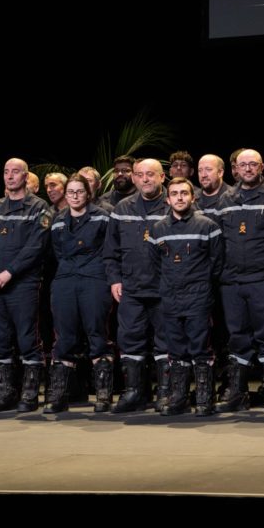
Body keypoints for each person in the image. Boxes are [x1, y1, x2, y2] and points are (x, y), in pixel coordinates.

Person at [213, 149, 264, 413]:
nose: (247, 169)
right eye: (242, 165)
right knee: (237, 336)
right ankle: (238, 393)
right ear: (235, 168)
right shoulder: (225, 200)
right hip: (233, 280)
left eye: (252, 165)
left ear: (261, 167)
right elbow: (219, 240)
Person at [0, 157, 52, 413]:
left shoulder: (40, 207)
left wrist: (9, 272)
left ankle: (29, 394)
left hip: (22, 284)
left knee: (27, 337)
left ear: (26, 177)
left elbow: (36, 246)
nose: (10, 176)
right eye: (6, 171)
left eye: (15, 172)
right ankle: (6, 392)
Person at [151, 178, 224, 415]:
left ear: (193, 197)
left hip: (199, 296)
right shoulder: (159, 229)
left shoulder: (208, 226)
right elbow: (156, 264)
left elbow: (217, 263)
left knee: (200, 347)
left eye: (184, 193)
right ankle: (179, 397)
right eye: (175, 193)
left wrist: (201, 286)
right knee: (175, 350)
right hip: (170, 297)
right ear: (168, 199)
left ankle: (204, 398)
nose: (180, 197)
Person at [103, 158, 169, 412]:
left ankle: (165, 392)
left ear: (162, 177)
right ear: (133, 178)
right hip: (131, 288)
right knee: (130, 339)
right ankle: (135, 392)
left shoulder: (173, 203)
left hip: (164, 287)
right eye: (140, 174)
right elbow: (111, 251)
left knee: (167, 342)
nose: (145, 179)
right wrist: (114, 279)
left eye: (150, 174)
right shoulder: (122, 208)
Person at [44, 175, 114, 414]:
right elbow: (54, 252)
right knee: (64, 337)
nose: (74, 196)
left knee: (97, 334)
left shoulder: (103, 217)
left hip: (94, 279)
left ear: (88, 193)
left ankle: (103, 394)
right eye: (70, 192)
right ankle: (60, 396)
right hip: (65, 279)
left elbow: (110, 250)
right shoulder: (57, 220)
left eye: (79, 192)